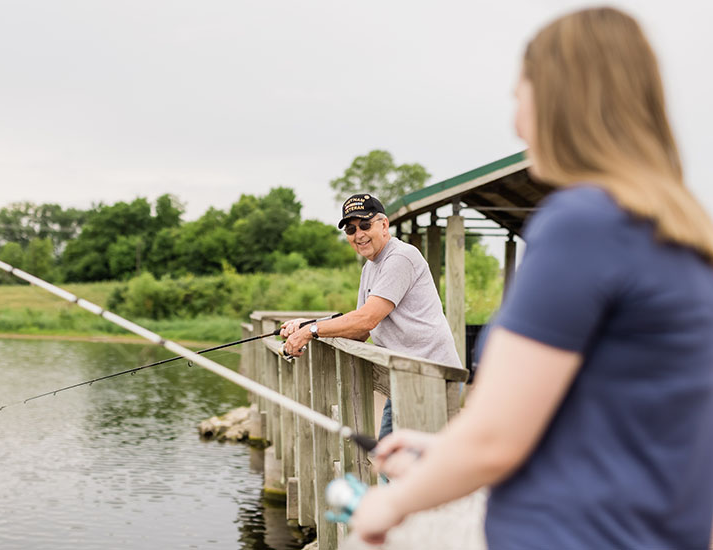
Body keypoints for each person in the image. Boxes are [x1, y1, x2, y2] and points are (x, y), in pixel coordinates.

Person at [350, 7, 713, 548]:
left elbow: (496, 441)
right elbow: (610, 424)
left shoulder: (583, 223)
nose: (516, 120)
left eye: (519, 95)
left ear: (557, 100)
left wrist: (391, 504)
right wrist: (440, 451)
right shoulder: (685, 234)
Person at [281, 193, 461, 439]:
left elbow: (367, 319)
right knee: (390, 460)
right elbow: (359, 331)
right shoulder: (370, 266)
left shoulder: (400, 257)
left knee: (423, 465)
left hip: (431, 378)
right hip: (403, 379)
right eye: (351, 229)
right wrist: (307, 324)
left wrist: (310, 331)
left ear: (384, 225)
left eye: (365, 225)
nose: (359, 234)